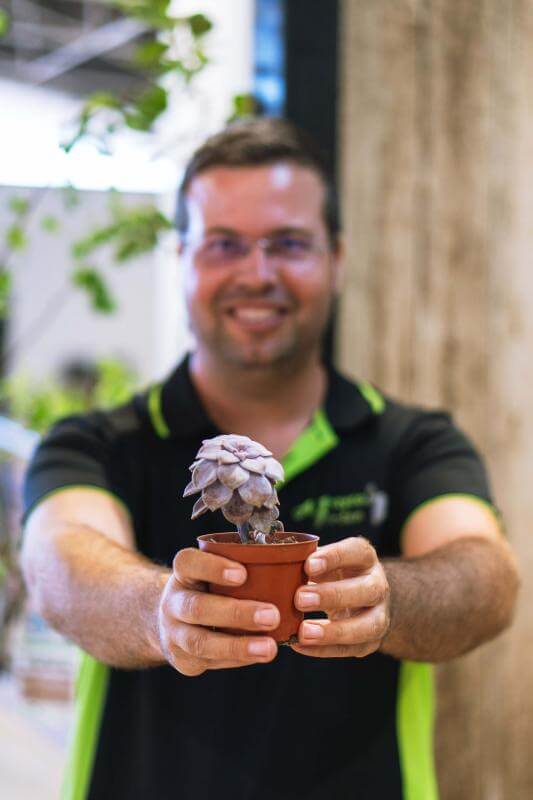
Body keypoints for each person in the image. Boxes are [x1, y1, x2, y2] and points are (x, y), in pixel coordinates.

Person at [20, 118, 519, 800]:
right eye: (224, 244)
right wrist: (156, 610)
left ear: (336, 258)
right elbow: (57, 560)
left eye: (288, 244)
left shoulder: (410, 441)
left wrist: (387, 599)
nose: (256, 274)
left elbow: (485, 576)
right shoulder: (97, 442)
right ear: (182, 259)